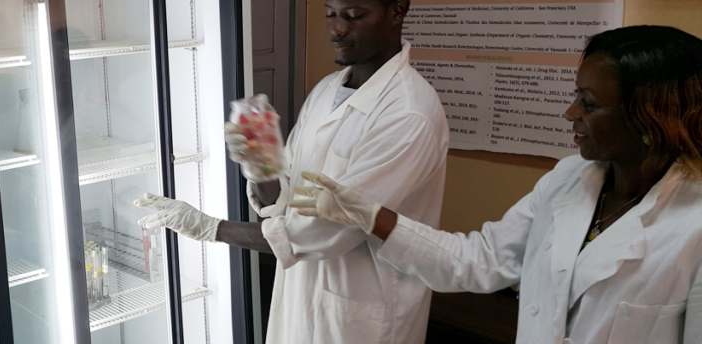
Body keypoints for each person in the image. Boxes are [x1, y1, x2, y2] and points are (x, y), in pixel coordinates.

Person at [292, 25, 702, 344]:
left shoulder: (692, 225)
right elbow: (479, 261)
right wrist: (370, 216)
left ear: (651, 118)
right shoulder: (566, 180)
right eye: (576, 95)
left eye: (589, 104)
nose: (570, 112)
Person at [136, 0, 450, 343]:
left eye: (353, 16)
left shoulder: (408, 115)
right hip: (303, 298)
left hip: (363, 317)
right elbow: (288, 203)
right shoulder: (327, 91)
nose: (337, 29)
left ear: (398, 10)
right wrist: (263, 165)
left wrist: (210, 228)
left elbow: (323, 230)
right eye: (331, 15)